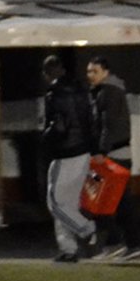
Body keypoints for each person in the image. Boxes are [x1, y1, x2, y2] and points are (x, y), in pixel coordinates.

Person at [85, 55, 140, 260]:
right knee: (115, 202)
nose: (90, 75)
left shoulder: (108, 92)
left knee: (104, 201)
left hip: (113, 156)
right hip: (117, 154)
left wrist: (101, 150)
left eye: (94, 71)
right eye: (89, 71)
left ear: (105, 72)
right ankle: (122, 244)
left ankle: (119, 244)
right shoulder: (106, 91)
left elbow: (108, 125)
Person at [40, 54, 97, 262]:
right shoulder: (82, 90)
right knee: (68, 204)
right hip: (84, 151)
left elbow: (59, 126)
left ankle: (87, 230)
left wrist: (46, 137)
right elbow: (91, 120)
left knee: (54, 202)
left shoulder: (54, 94)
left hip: (65, 152)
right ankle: (68, 249)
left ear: (48, 73)